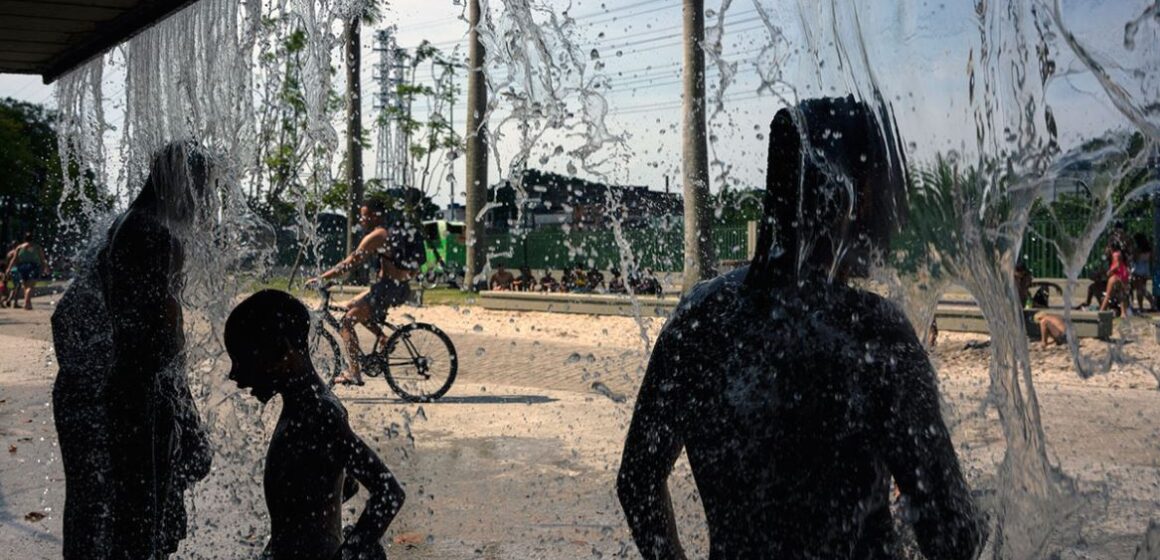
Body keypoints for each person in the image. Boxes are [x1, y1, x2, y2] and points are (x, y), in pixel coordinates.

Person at [618, 97, 984, 559]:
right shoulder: (871, 334)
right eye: (886, 186)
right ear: (853, 195)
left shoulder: (699, 318)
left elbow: (637, 480)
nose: (894, 212)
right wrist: (992, 510)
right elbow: (951, 535)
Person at [51, 142, 213, 559]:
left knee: (102, 511)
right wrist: (184, 413)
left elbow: (66, 316)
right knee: (140, 516)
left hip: (112, 389)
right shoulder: (157, 237)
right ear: (184, 187)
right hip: (135, 396)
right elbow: (163, 339)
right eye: (205, 190)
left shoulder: (120, 226)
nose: (207, 204)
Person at [225, 290, 404, 560]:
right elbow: (347, 484)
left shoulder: (317, 413)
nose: (234, 375)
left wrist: (350, 553)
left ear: (282, 350)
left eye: (244, 360)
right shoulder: (304, 407)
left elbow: (388, 490)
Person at [308, 198, 423, 385]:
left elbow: (349, 263)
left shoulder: (377, 236)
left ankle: (354, 373)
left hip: (387, 289)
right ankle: (383, 337)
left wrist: (322, 278)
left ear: (376, 216)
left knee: (346, 322)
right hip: (394, 287)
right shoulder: (389, 233)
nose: (361, 220)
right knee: (351, 306)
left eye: (365, 216)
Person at [4, 232, 49, 310]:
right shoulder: (37, 247)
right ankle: (27, 304)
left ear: (24, 239)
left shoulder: (19, 247)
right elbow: (42, 259)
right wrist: (45, 267)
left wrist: (8, 269)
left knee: (25, 286)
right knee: (30, 286)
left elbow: (14, 259)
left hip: (22, 267)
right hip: (33, 267)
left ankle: (28, 304)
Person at [1100, 248, 1131, 317]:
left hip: (1116, 276)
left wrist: (1110, 271)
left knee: (1108, 295)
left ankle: (1101, 312)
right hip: (1123, 275)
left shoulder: (1115, 254)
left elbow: (1117, 265)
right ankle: (1123, 313)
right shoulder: (1119, 253)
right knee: (1121, 294)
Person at [1131, 233, 1155, 312]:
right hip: (1145, 269)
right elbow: (1151, 259)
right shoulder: (1148, 249)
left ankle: (1142, 306)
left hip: (1138, 269)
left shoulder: (1138, 249)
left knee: (1140, 290)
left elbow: (1135, 259)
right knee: (1143, 289)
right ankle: (1152, 303)